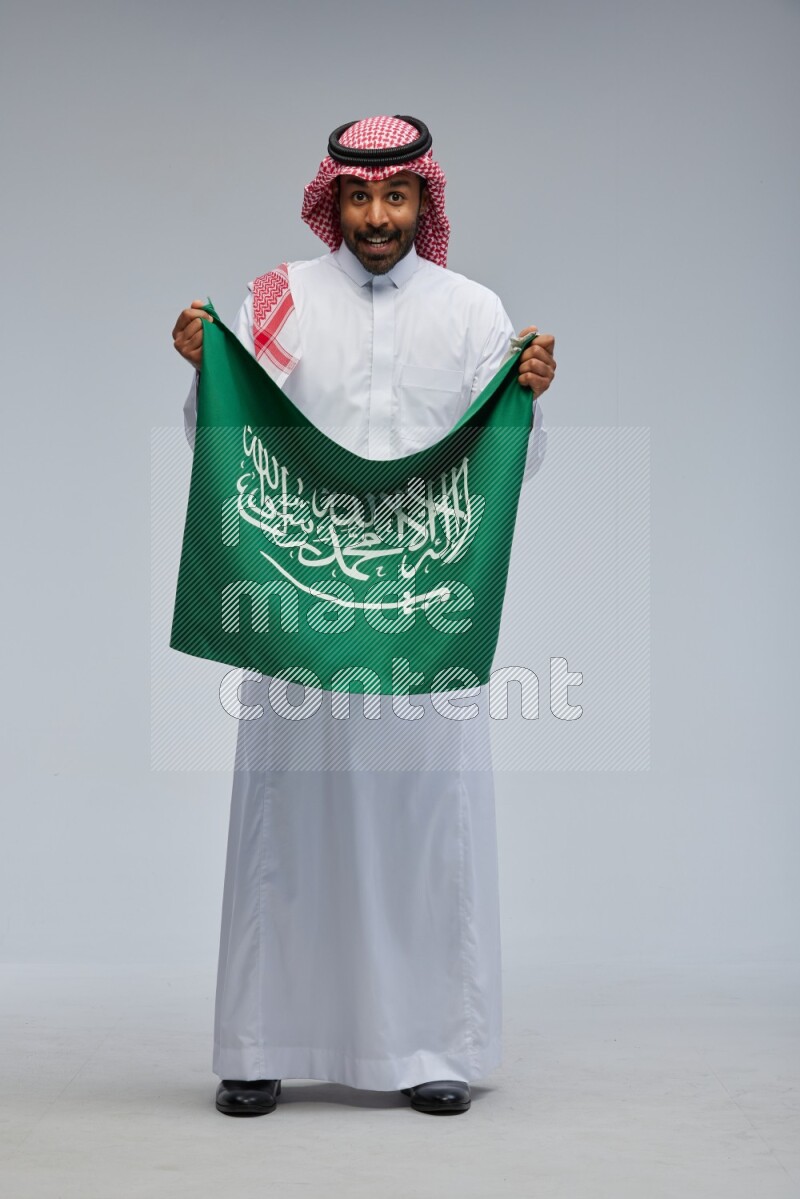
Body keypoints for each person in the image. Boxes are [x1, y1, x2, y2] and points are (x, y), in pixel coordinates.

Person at [172, 115, 556, 1117]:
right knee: (283, 827)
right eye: (358, 196)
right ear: (330, 199)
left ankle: (435, 1043)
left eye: (395, 198)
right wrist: (199, 370)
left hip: (425, 616)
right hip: (299, 605)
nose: (376, 216)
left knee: (426, 828)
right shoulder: (276, 299)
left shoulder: (475, 315)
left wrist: (527, 400)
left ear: (422, 202)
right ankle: (260, 1040)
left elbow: (507, 467)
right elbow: (227, 445)